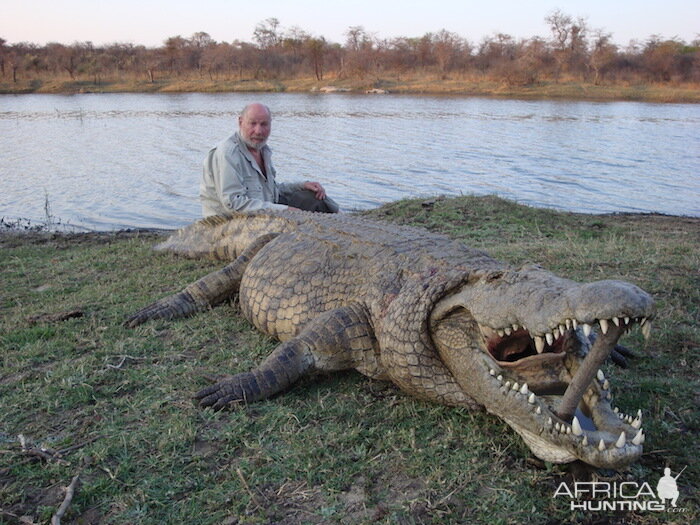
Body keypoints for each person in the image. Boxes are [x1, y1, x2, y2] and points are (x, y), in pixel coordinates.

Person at [200, 102, 339, 216]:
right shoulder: (227, 153)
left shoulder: (262, 149)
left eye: (264, 124)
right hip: (230, 225)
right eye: (252, 123)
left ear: (270, 125)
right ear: (241, 122)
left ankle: (337, 221)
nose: (259, 131)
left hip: (260, 216)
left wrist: (303, 185)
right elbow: (234, 204)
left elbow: (270, 190)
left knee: (312, 197)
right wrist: (285, 211)